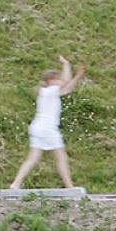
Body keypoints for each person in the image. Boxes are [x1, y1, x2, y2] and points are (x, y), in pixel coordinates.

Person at [8, 55, 85, 191]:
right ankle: (69, 186)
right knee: (61, 157)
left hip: (38, 128)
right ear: (51, 80)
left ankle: (15, 184)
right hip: (47, 129)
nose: (60, 81)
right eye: (57, 79)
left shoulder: (47, 91)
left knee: (33, 158)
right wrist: (72, 71)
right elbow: (67, 84)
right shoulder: (50, 91)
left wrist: (69, 69)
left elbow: (66, 86)